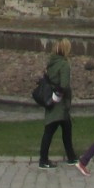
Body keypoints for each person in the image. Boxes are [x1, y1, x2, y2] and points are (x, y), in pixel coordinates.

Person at [37, 39, 77, 169]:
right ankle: (44, 160)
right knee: (53, 130)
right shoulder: (64, 65)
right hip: (60, 102)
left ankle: (71, 157)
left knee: (64, 128)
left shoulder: (52, 63)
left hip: (52, 100)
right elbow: (64, 84)